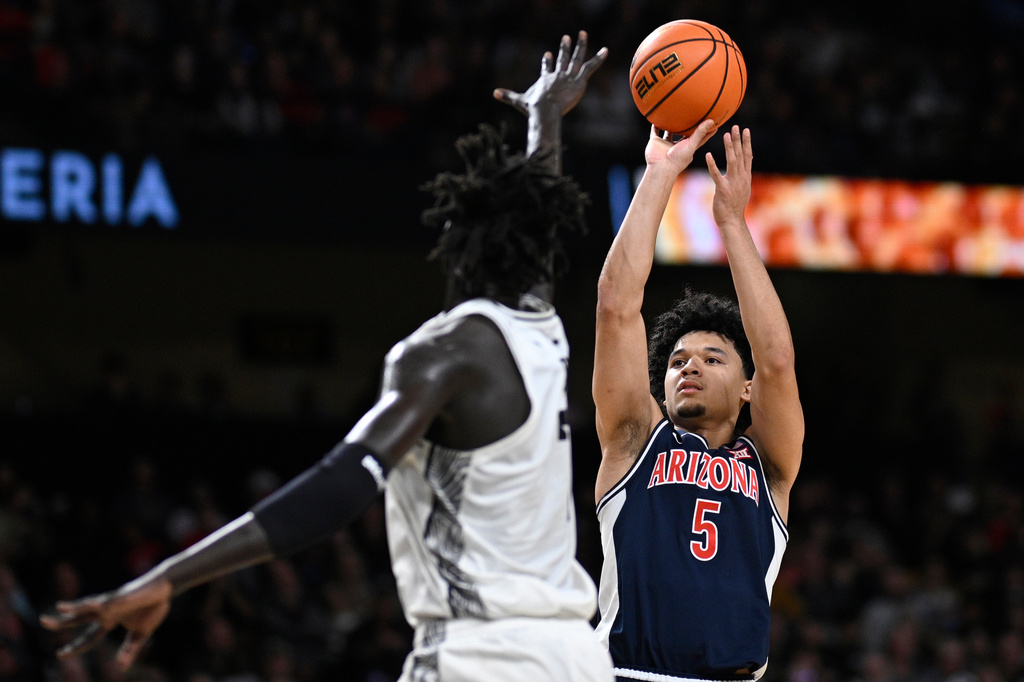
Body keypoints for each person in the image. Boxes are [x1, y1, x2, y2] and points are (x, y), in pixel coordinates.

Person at [41, 32, 613, 682]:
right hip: (575, 657)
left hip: (482, 659)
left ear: (459, 246)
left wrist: (172, 577)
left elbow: (342, 484)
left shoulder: (441, 354)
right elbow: (540, 232)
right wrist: (544, 121)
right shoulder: (545, 330)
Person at [591, 122, 804, 681]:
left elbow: (777, 358)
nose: (690, 366)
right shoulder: (636, 439)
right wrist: (661, 172)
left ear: (746, 387)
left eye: (713, 359)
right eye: (679, 361)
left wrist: (732, 223)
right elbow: (616, 305)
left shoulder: (769, 467)